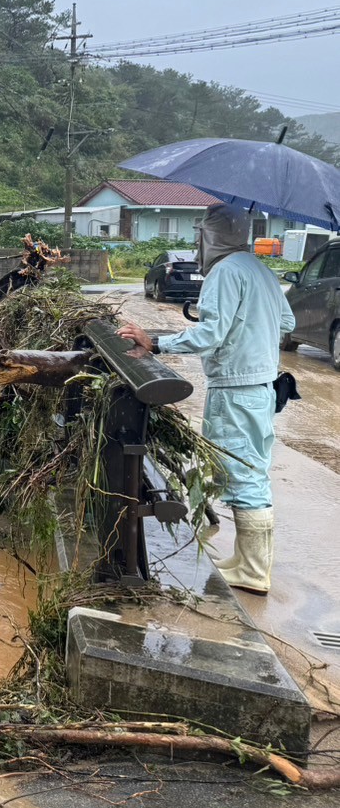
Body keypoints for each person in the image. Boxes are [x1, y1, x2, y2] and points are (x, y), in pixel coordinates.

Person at [117, 203, 295, 595]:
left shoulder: (224, 272)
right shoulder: (260, 269)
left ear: (209, 236)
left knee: (243, 474)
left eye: (201, 234)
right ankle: (247, 560)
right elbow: (287, 323)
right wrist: (248, 331)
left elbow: (211, 335)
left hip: (235, 389)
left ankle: (252, 570)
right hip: (261, 387)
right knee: (252, 469)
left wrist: (155, 342)